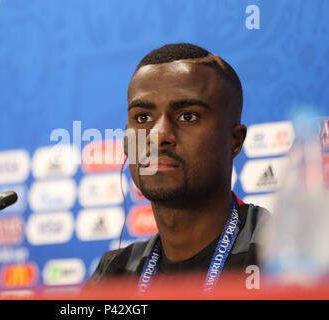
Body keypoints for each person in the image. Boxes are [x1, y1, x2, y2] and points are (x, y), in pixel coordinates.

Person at [84, 43, 270, 294]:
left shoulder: (282, 253)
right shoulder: (114, 275)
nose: (158, 135)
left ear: (234, 141)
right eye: (142, 118)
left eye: (188, 116)